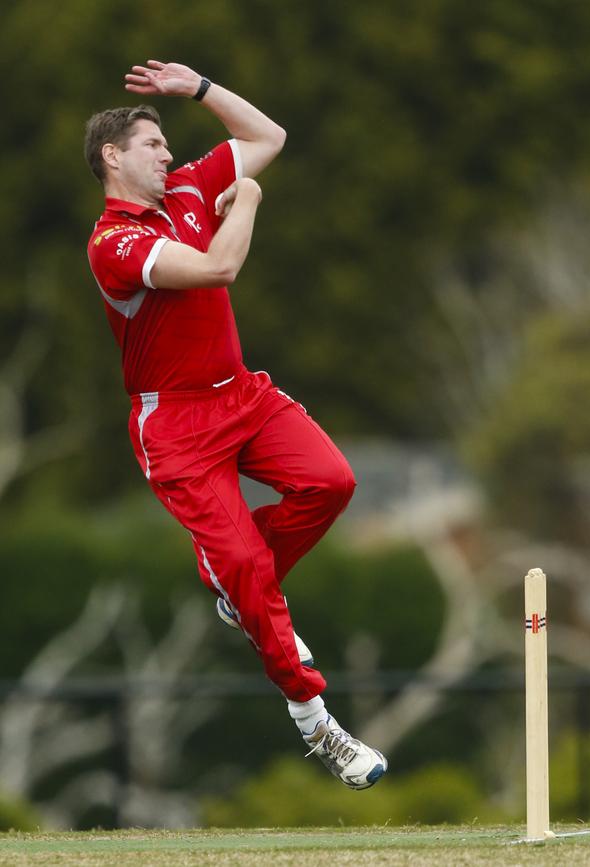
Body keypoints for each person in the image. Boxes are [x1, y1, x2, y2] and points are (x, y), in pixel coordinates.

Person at [84, 60, 387, 790]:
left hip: (242, 396)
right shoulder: (114, 243)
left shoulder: (190, 184)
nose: (167, 154)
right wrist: (245, 199)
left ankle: (235, 584)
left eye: (166, 143)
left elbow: (269, 134)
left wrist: (199, 90)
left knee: (331, 482)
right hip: (177, 428)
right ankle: (318, 723)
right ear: (112, 158)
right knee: (249, 567)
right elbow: (219, 268)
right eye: (152, 145)